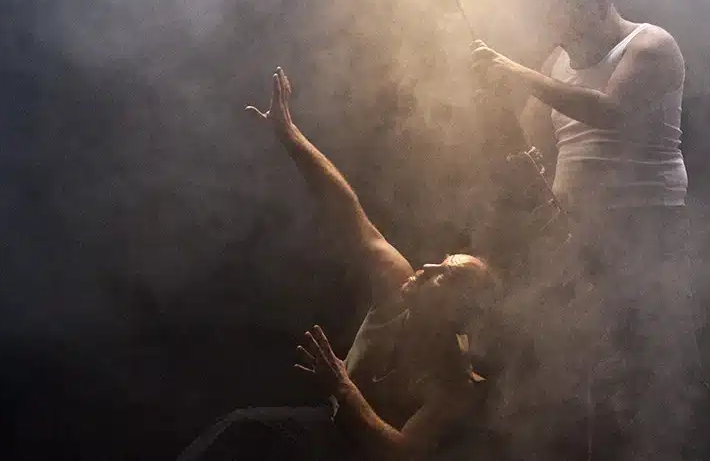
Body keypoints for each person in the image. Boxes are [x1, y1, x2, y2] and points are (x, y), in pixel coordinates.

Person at [178, 67, 497, 461]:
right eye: (440, 262)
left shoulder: (452, 385)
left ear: (456, 310)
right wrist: (289, 136)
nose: (427, 268)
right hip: (332, 428)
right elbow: (347, 211)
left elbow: (402, 455)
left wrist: (342, 386)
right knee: (241, 433)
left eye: (444, 276)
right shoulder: (396, 282)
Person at [471, 0, 698, 461]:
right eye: (551, 15)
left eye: (566, 13)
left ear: (601, 3)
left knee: (642, 365)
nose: (557, 27)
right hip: (577, 233)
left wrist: (517, 73)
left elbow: (607, 111)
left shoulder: (649, 45)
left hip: (643, 229)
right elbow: (528, 137)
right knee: (587, 365)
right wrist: (497, 101)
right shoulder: (557, 62)